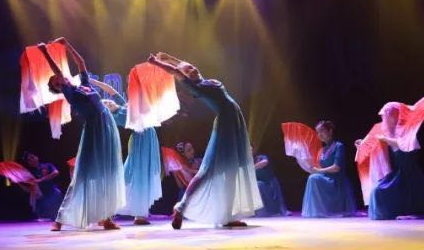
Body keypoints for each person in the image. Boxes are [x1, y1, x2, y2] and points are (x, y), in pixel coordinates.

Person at [148, 52, 261, 228]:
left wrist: (170, 58)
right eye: (188, 71)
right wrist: (157, 62)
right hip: (226, 126)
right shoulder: (196, 88)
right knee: (207, 171)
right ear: (186, 78)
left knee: (232, 171)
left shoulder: (205, 81)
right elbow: (176, 72)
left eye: (192, 68)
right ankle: (181, 207)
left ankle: (229, 216)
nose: (192, 70)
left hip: (234, 124)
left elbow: (183, 66)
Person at [38, 38, 125, 231]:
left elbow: (81, 63)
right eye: (57, 82)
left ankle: (106, 218)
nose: (60, 79)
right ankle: (59, 219)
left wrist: (67, 45)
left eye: (59, 79)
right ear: (59, 87)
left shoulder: (83, 84)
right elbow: (58, 72)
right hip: (94, 129)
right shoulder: (69, 93)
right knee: (83, 175)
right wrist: (44, 52)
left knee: (108, 173)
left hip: (106, 125)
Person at [93, 78, 163, 226]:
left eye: (108, 101)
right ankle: (106, 213)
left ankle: (140, 214)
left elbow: (111, 90)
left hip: (150, 139)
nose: (109, 102)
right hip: (140, 142)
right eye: (106, 105)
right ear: (107, 111)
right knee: (131, 174)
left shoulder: (123, 104)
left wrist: (95, 82)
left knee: (144, 174)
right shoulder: (117, 116)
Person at [359, 103, 424, 220]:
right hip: (396, 173)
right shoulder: (387, 134)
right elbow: (374, 150)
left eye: (387, 116)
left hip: (409, 174)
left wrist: (386, 140)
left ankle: (400, 210)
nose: (385, 120)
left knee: (381, 192)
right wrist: (362, 145)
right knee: (376, 190)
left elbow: (405, 145)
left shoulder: (407, 132)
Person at [301, 120, 358, 218]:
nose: (319, 134)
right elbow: (319, 167)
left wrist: (318, 171)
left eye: (322, 131)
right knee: (312, 177)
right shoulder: (322, 150)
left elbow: (336, 168)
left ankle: (325, 209)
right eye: (318, 132)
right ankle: (319, 210)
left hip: (336, 181)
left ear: (330, 131)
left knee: (314, 178)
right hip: (326, 179)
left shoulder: (338, 146)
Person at [21, 151, 63, 220]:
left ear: (37, 157)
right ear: (28, 163)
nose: (32, 160)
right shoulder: (29, 173)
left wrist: (41, 180)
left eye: (32, 157)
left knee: (58, 194)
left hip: (52, 191)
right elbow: (28, 190)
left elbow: (56, 172)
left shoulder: (47, 165)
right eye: (29, 160)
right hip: (41, 196)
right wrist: (18, 183)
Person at [252, 145, 287, 216]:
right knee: (257, 185)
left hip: (269, 182)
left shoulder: (260, 157)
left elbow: (265, 162)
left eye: (251, 149)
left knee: (259, 184)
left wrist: (251, 167)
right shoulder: (247, 162)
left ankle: (275, 210)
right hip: (259, 184)